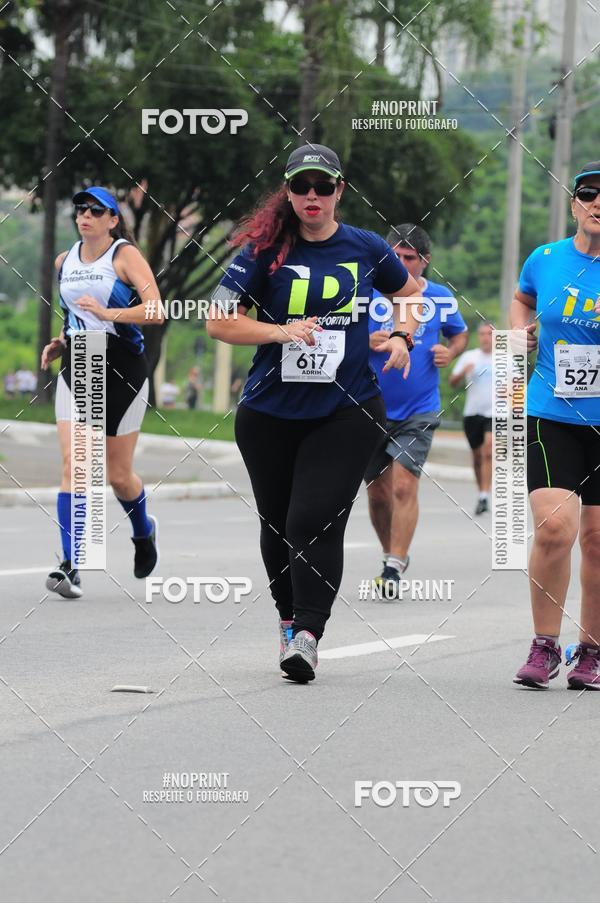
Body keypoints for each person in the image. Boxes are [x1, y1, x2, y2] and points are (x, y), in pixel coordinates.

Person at [207, 143, 420, 682]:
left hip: (346, 409)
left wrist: (401, 335)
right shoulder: (263, 251)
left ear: (339, 191)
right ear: (289, 192)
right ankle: (286, 622)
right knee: (277, 524)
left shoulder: (367, 246)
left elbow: (411, 293)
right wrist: (280, 331)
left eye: (323, 187)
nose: (312, 197)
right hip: (270, 412)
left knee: (312, 518)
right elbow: (218, 322)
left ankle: (308, 633)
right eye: (301, 187)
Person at [41, 186, 164, 598]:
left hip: (123, 369)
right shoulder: (65, 261)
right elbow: (74, 316)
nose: (86, 215)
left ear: (113, 219)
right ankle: (70, 564)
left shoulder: (125, 256)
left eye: (97, 210)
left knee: (117, 475)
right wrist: (62, 341)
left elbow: (155, 309)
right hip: (80, 362)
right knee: (74, 466)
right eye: (80, 208)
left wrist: (109, 313)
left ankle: (144, 531)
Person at [512, 161, 600, 690]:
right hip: (552, 412)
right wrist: (520, 331)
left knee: (598, 539)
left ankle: (591, 651)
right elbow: (524, 298)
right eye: (588, 194)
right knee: (554, 528)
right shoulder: (545, 260)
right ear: (574, 204)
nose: (598, 203)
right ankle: (544, 646)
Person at [366, 224, 468, 590]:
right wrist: (368, 339)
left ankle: (393, 568)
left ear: (424, 262)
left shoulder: (439, 297)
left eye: (409, 258)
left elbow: (459, 334)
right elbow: (338, 335)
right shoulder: (369, 294)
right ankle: (392, 553)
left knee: (404, 486)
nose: (400, 263)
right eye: (395, 256)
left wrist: (450, 351)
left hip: (419, 409)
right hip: (370, 407)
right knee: (378, 493)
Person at [449, 321, 494, 514]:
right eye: (482, 334)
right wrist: (462, 373)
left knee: (488, 451)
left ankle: (485, 496)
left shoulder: (506, 359)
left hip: (495, 413)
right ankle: (480, 492)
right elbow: (452, 382)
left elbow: (518, 388)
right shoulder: (470, 357)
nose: (486, 338)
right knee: (477, 457)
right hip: (472, 413)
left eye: (490, 334)